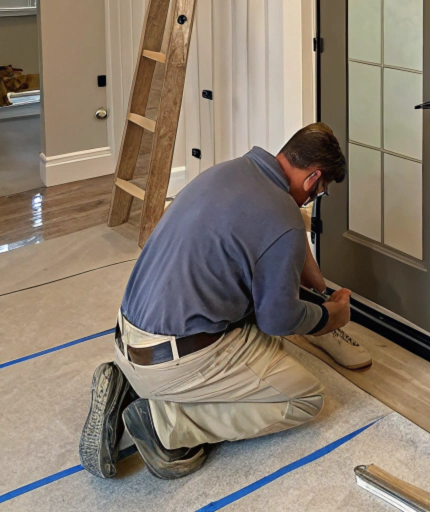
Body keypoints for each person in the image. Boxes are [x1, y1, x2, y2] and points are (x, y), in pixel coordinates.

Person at [79, 122, 369, 481]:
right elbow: (278, 320)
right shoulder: (282, 218)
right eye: (320, 191)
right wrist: (329, 317)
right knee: (305, 398)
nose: (313, 199)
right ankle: (165, 422)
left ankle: (130, 386)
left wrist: (304, 264)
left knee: (255, 310)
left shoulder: (227, 173)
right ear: (313, 179)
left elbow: (273, 236)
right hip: (174, 361)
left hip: (130, 337)